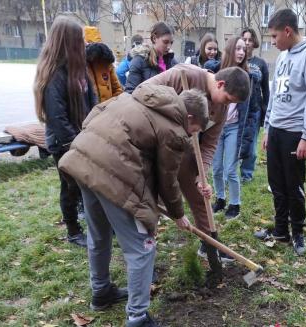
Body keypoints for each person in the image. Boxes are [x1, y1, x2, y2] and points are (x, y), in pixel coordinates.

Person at [59, 85, 209, 327]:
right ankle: (137, 317)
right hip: (112, 175)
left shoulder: (133, 97)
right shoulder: (174, 129)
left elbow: (92, 115)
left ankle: (101, 292)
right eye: (195, 130)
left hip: (82, 160)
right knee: (142, 249)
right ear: (189, 117)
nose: (192, 135)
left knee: (99, 235)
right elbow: (168, 179)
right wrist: (178, 214)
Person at [143, 64, 250, 262]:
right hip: (157, 148)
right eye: (228, 99)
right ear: (220, 84)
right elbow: (142, 93)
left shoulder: (222, 108)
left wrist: (202, 175)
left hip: (186, 152)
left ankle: (209, 244)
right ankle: (146, 255)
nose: (227, 105)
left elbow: (210, 143)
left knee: (201, 196)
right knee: (151, 202)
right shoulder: (182, 75)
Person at [254, 9, 306, 256]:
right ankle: (281, 230)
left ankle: (298, 233)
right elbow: (274, 96)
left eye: (274, 36)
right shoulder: (283, 57)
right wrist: (267, 128)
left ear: (287, 30)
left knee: (293, 185)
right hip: (276, 131)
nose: (272, 41)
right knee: (276, 184)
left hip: (296, 133)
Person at [33, 16, 97, 247]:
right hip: (65, 144)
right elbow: (58, 120)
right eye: (79, 40)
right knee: (70, 187)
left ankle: (96, 226)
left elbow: (93, 103)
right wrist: (77, 144)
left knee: (87, 186)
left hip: (83, 139)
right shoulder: (53, 75)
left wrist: (94, 131)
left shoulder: (79, 70)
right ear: (67, 42)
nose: (84, 44)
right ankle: (73, 230)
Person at [211, 36, 248, 220]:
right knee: (216, 168)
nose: (241, 52)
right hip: (217, 127)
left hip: (234, 127)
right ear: (230, 50)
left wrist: (249, 137)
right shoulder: (216, 72)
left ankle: (235, 203)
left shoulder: (248, 76)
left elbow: (253, 110)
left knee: (230, 169)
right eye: (238, 48)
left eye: (244, 49)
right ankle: (220, 198)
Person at [240, 27, 270, 183]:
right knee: (236, 140)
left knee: (251, 144)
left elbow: (266, 89)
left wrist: (265, 111)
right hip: (237, 109)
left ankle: (246, 173)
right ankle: (231, 170)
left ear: (254, 42)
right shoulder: (236, 60)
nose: (247, 43)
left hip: (255, 110)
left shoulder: (261, 63)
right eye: (244, 39)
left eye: (250, 40)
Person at [125, 22, 177, 93]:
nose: (169, 46)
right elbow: (130, 92)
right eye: (165, 42)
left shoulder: (172, 60)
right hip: (145, 104)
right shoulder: (139, 60)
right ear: (154, 38)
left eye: (171, 42)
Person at [84, 26, 123, 103]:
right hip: (89, 113)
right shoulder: (78, 64)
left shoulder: (106, 62)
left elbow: (117, 90)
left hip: (107, 111)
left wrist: (109, 108)